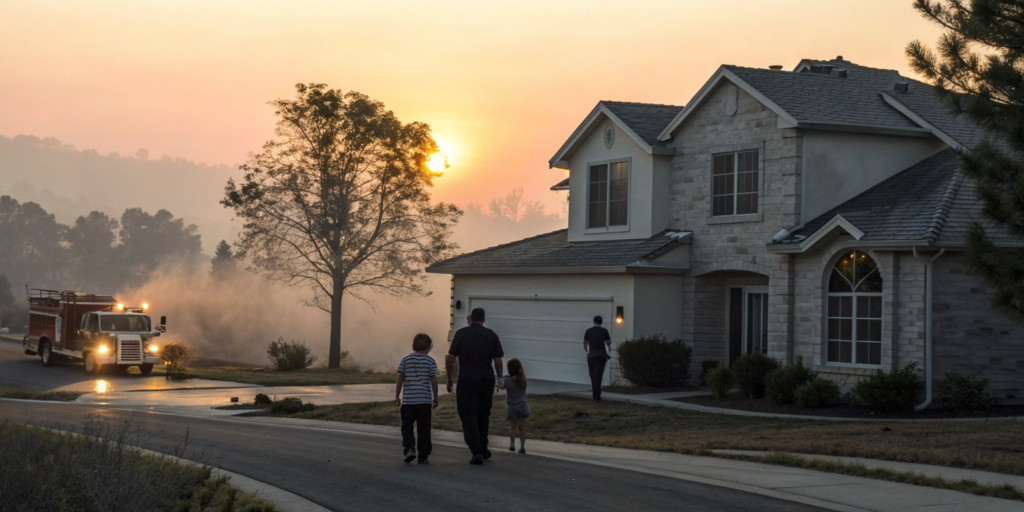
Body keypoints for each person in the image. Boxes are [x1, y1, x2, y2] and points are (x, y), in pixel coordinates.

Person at [446, 307, 504, 465]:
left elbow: (451, 358)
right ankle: (483, 448)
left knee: (468, 414)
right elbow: (498, 360)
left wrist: (450, 378)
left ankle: (476, 450)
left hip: (467, 380)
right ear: (484, 320)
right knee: (483, 414)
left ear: (469, 318)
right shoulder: (491, 335)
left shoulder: (461, 334)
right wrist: (500, 378)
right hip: (486, 380)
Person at [395, 333, 440, 465]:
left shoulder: (405, 360)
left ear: (414, 346)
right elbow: (434, 381)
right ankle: (423, 456)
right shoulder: (430, 361)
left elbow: (400, 379)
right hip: (424, 402)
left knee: (407, 426)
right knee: (424, 428)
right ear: (428, 347)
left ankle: (409, 449)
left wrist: (397, 396)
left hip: (408, 401)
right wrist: (435, 397)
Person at [497, 357, 530, 454]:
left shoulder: (507, 380)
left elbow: (502, 387)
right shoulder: (522, 379)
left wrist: (499, 382)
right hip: (522, 406)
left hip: (512, 406)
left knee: (512, 427)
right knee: (522, 428)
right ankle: (522, 447)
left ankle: (512, 445)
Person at [583, 315, 612, 401]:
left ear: (594, 321)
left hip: (591, 356)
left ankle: (595, 394)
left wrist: (588, 352)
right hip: (601, 356)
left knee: (592, 375)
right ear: (601, 322)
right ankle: (596, 394)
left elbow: (585, 344)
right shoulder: (604, 331)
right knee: (598, 375)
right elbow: (608, 342)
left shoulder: (588, 331)